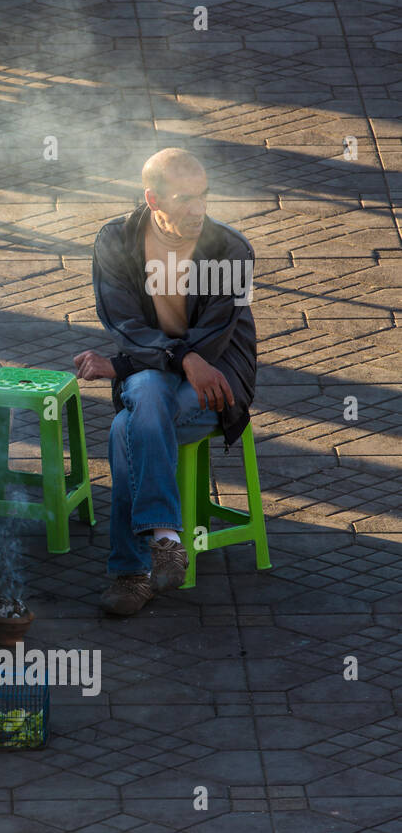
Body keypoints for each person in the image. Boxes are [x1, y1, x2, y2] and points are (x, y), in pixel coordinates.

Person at [74, 148, 257, 616]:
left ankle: (130, 571)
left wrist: (123, 366)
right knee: (145, 398)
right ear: (153, 198)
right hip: (157, 373)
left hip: (217, 378)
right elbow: (125, 325)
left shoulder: (231, 251)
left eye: (203, 197)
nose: (198, 210)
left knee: (126, 425)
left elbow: (214, 339)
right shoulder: (116, 241)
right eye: (184, 199)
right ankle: (166, 538)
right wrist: (177, 357)